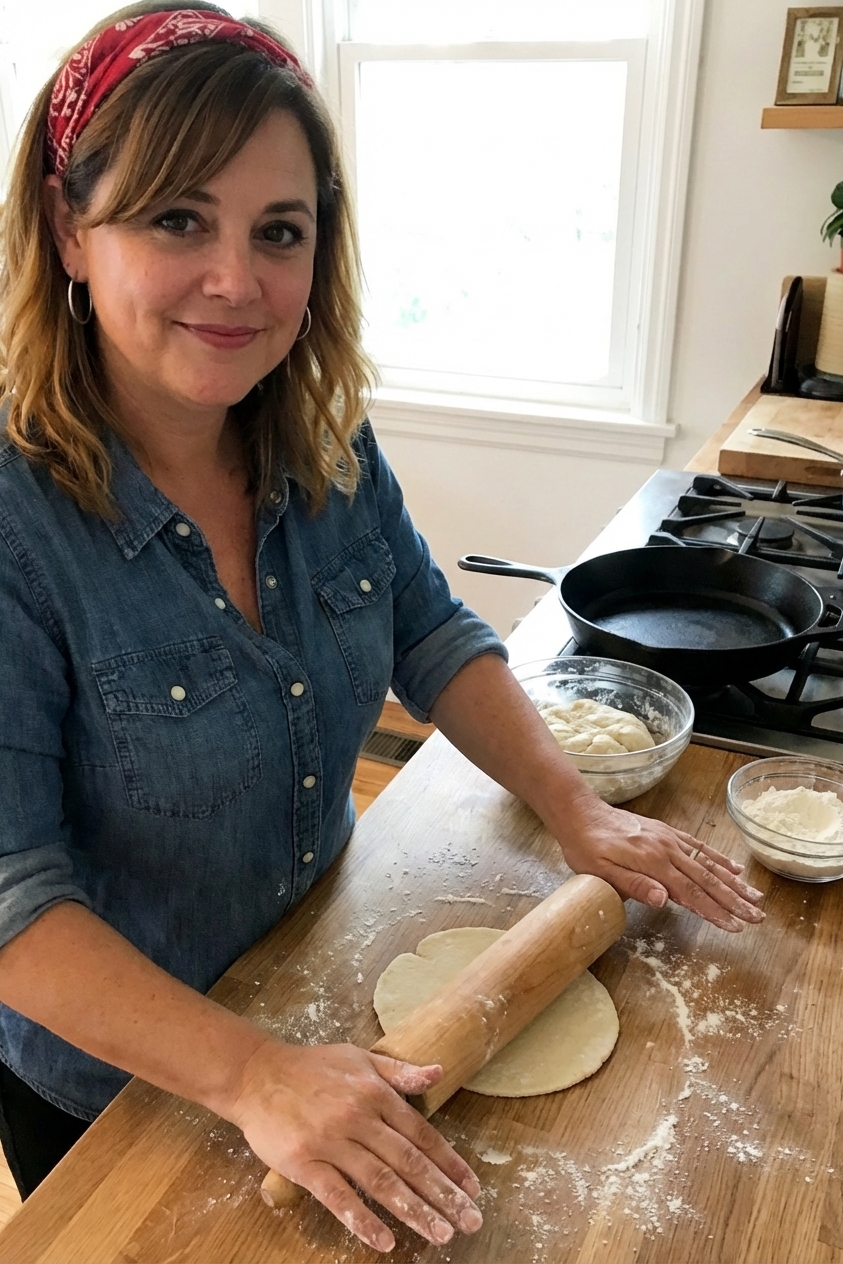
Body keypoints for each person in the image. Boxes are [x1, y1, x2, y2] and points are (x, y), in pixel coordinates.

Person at [0, 2, 765, 1251]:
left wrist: (574, 806)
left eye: (279, 231)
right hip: (123, 1086)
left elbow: (431, 627)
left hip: (316, 989)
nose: (237, 280)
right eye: (176, 218)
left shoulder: (319, 438)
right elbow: (9, 908)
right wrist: (251, 1076)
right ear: (68, 231)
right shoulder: (17, 522)